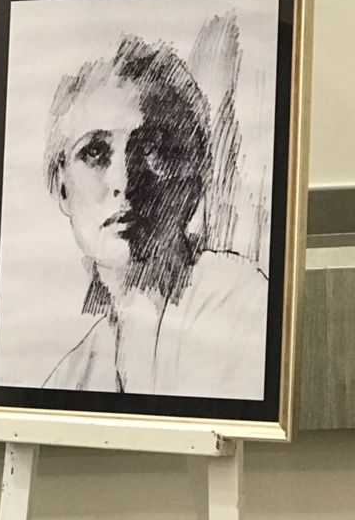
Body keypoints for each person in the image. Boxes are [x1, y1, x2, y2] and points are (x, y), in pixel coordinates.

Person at [42, 34, 268, 400]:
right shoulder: (72, 376)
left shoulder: (240, 304)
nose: (124, 182)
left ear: (195, 175)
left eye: (153, 148)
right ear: (61, 187)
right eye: (95, 151)